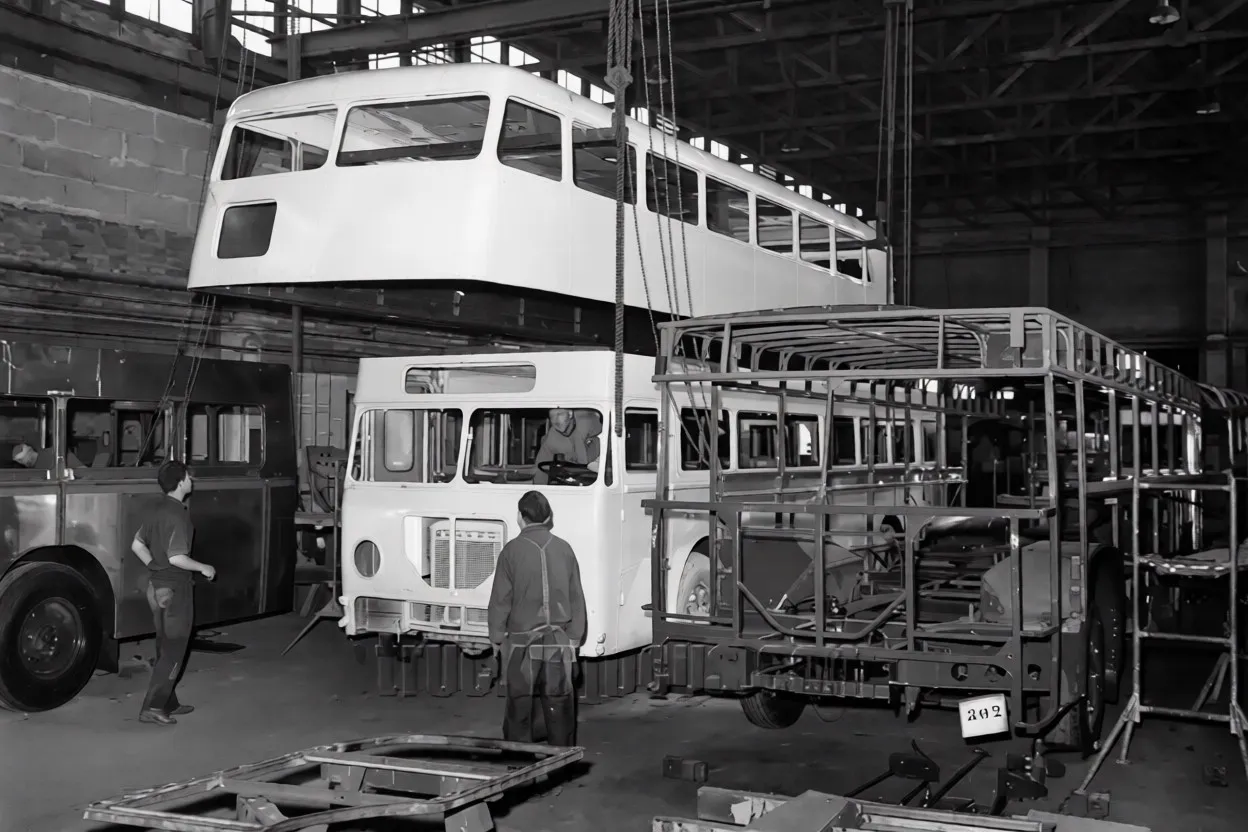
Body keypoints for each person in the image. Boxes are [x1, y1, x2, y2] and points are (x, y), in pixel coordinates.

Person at [487, 491, 586, 747]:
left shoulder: (511, 552)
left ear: (520, 517)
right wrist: (575, 636)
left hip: (522, 645)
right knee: (560, 709)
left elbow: (500, 600)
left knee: (519, 711)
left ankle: (519, 774)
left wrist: (496, 638)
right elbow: (576, 596)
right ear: (549, 517)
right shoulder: (564, 549)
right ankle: (561, 768)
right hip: (558, 642)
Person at [130, 460, 216, 726]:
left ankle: (169, 701)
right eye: (189, 476)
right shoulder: (177, 514)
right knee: (174, 650)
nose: (191, 480)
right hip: (175, 589)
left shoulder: (155, 508)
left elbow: (136, 545)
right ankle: (153, 707)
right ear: (181, 482)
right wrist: (204, 567)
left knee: (164, 645)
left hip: (156, 587)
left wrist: (154, 567)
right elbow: (178, 556)